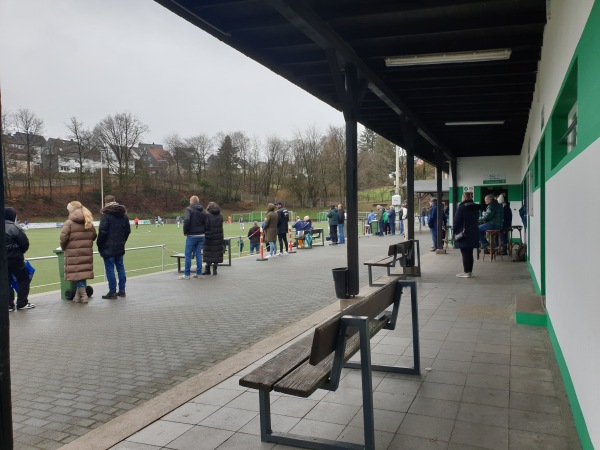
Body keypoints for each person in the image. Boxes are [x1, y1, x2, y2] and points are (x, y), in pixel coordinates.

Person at [59, 201, 97, 303]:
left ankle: (83, 296)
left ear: (71, 210)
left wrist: (64, 247)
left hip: (73, 253)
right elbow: (94, 235)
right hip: (85, 252)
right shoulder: (88, 221)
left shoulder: (69, 223)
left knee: (77, 274)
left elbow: (63, 238)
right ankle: (77, 296)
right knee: (81, 274)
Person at [97, 195, 131, 299]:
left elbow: (102, 232)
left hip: (108, 247)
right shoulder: (123, 215)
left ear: (105, 202)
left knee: (110, 269)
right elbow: (127, 231)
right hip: (119, 246)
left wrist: (100, 244)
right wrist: (122, 241)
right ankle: (122, 290)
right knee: (120, 267)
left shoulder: (106, 215)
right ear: (115, 201)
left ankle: (112, 291)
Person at [5, 207, 35, 311]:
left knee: (5, 281)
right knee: (23, 280)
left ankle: (8, 305)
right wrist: (19, 252)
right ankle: (22, 303)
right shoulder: (14, 228)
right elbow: (24, 243)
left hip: (3, 261)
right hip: (15, 259)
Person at [178, 196, 207, 280]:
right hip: (201, 235)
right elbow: (206, 223)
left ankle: (187, 274)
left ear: (191, 201)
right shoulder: (203, 211)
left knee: (188, 254)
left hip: (192, 235)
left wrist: (185, 231)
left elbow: (187, 220)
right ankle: (199, 273)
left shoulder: (189, 209)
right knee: (198, 254)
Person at [453, 192, 481, 278]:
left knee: (464, 252)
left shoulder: (461, 208)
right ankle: (470, 272)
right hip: (474, 232)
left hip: (464, 233)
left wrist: (454, 231)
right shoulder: (476, 208)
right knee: (470, 252)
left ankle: (466, 272)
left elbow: (457, 221)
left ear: (464, 198)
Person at [203, 202, 224, 274]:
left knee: (208, 253)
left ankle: (207, 269)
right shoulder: (220, 216)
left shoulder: (207, 215)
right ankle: (215, 270)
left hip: (209, 236)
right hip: (218, 237)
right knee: (216, 253)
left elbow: (205, 226)